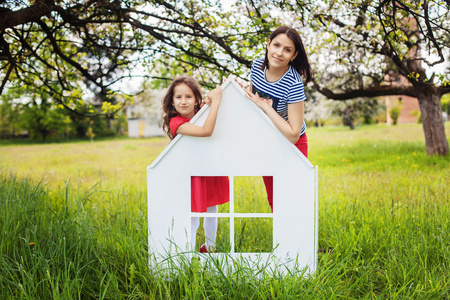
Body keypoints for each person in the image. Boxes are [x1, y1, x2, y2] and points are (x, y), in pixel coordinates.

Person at [245, 26, 313, 212]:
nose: (279, 53)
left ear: (294, 55)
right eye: (276, 45)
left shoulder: (293, 82)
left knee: (294, 197)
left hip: (294, 145)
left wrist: (266, 106)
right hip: (268, 140)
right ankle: (284, 242)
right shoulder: (257, 66)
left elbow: (293, 134)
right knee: (275, 200)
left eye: (287, 49)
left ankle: (300, 239)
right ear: (268, 44)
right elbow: (252, 99)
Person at [161, 76, 229, 253]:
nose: (184, 101)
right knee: (193, 216)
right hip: (192, 173)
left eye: (189, 96)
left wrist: (209, 103)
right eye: (179, 97)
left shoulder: (203, 111)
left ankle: (210, 247)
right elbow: (206, 131)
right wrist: (215, 102)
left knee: (212, 210)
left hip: (211, 166)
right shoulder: (176, 122)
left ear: (196, 98)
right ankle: (189, 252)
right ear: (172, 102)